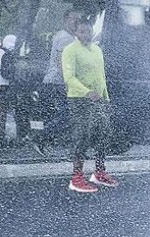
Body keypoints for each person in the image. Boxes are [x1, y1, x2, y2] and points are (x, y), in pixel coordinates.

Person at [62, 19, 118, 193]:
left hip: (99, 100)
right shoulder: (70, 50)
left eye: (89, 31)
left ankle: (99, 172)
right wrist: (86, 92)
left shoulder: (97, 50)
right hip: (80, 99)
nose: (86, 34)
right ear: (76, 32)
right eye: (82, 31)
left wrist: (106, 99)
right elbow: (68, 77)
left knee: (103, 133)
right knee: (82, 136)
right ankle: (76, 177)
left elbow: (101, 77)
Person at [40, 9, 82, 155]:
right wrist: (68, 82)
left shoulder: (68, 37)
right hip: (58, 82)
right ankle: (41, 137)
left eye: (78, 19)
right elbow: (61, 62)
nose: (76, 22)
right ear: (66, 20)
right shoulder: (65, 38)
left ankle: (66, 146)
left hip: (57, 81)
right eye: (73, 19)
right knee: (68, 114)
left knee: (68, 114)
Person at [0, 35, 17, 143]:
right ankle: (17, 133)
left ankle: (1, 133)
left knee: (2, 110)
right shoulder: (13, 54)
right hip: (10, 84)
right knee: (14, 109)